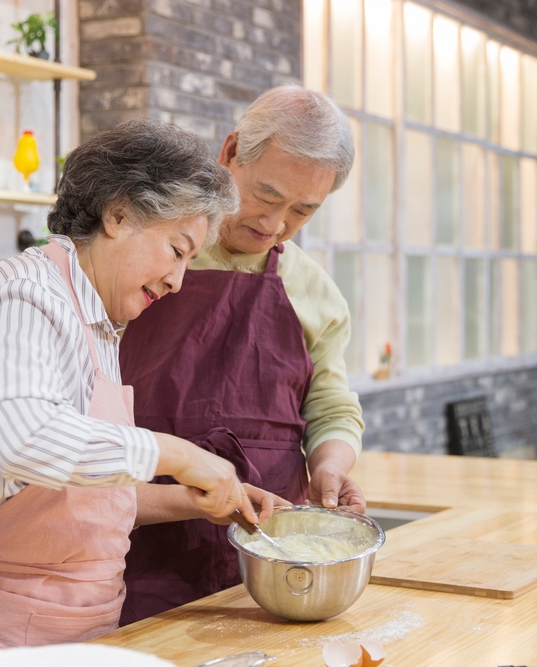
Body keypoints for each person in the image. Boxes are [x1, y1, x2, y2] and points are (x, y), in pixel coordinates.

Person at [0, 121, 279, 667]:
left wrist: (202, 501)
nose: (178, 281)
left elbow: (66, 501)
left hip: (71, 633)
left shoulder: (95, 321)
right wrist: (180, 456)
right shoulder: (24, 296)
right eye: (176, 249)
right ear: (118, 215)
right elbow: (25, 439)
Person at [119, 85, 367, 623]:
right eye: (267, 196)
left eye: (303, 210)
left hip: (266, 554)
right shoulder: (146, 260)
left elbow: (332, 408)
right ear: (230, 153)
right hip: (134, 534)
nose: (276, 224)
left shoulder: (315, 291)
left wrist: (330, 465)